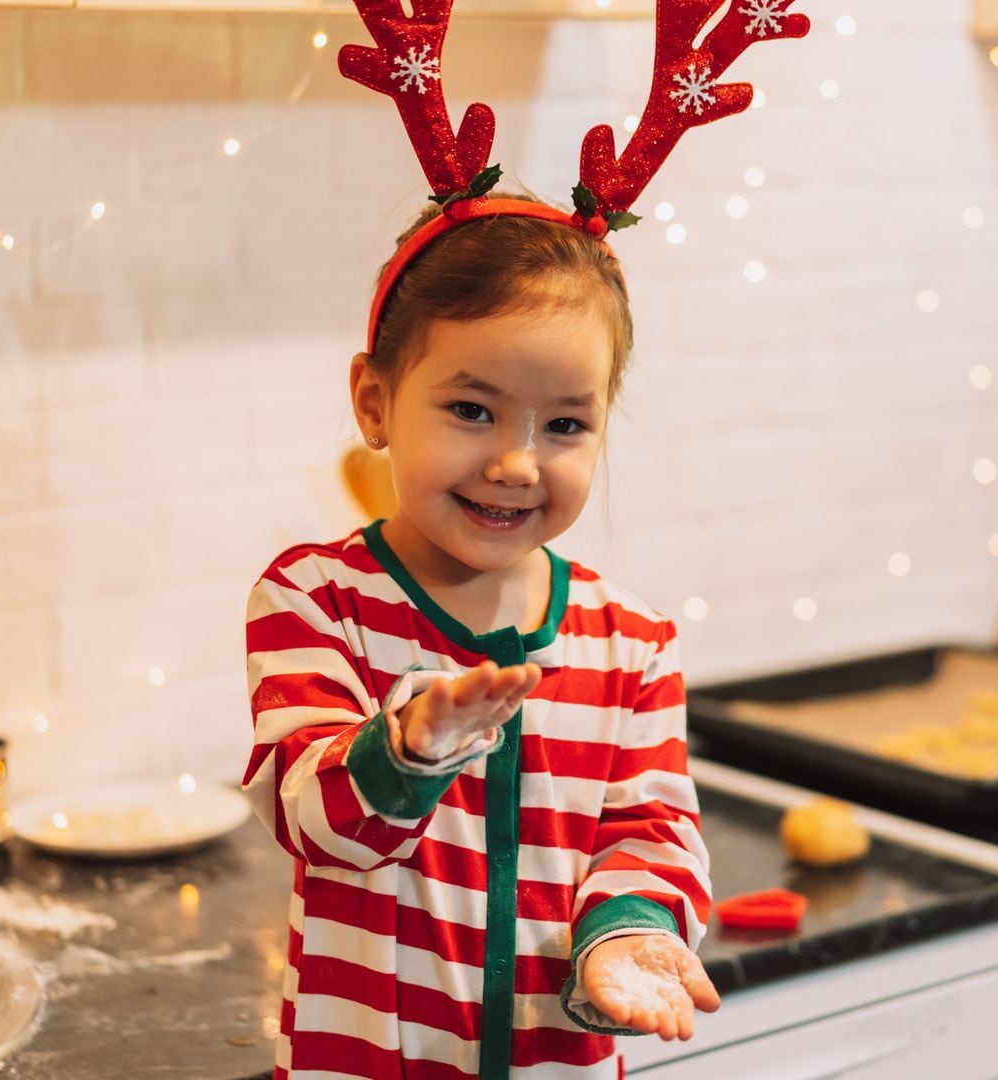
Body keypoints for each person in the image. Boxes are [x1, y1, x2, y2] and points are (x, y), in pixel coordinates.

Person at [242, 194, 719, 1080]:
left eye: (565, 425)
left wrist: (630, 934)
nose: (516, 461)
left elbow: (651, 832)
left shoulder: (633, 644)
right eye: (472, 409)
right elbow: (311, 819)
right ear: (375, 402)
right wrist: (408, 748)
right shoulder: (315, 600)